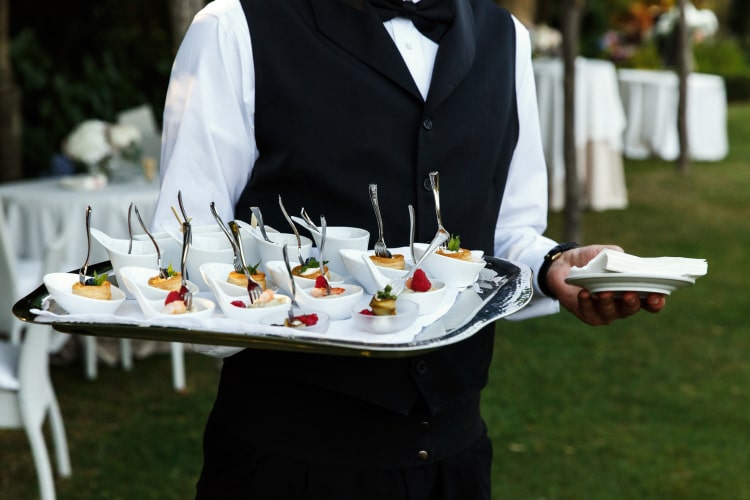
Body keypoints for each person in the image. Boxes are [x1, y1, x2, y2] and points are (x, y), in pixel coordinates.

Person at [151, 0, 666, 498]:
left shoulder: (506, 38)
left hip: (455, 459)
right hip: (288, 460)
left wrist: (555, 267)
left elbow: (508, 234)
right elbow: (188, 250)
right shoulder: (233, 26)